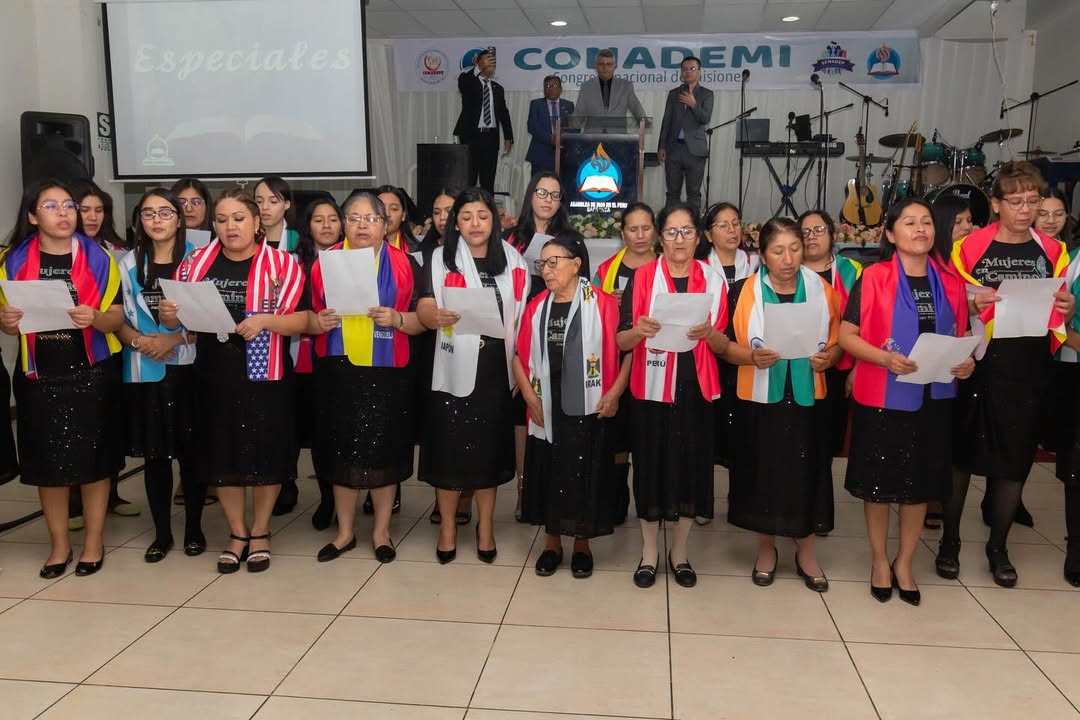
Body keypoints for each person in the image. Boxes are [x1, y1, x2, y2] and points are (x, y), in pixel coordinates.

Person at [159, 188, 307, 575]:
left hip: (266, 374)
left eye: (239, 218)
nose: (230, 227)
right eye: (222, 220)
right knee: (222, 454)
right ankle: (237, 532)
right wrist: (169, 314)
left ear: (257, 223)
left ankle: (260, 532)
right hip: (213, 374)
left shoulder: (282, 264)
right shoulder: (195, 264)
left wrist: (266, 321)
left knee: (265, 454)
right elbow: (176, 321)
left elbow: (305, 320)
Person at [941, 161, 1075, 588]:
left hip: (1028, 364)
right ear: (996, 204)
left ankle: (998, 547)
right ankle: (949, 542)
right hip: (978, 361)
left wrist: (1067, 308)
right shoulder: (968, 248)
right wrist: (969, 303)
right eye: (1015, 201)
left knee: (1015, 460)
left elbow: (1059, 304)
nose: (1025, 209)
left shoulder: (1053, 250)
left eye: (1032, 200)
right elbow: (948, 299)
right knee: (960, 457)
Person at [840, 198, 973, 606]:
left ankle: (905, 562)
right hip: (883, 394)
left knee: (920, 485)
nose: (920, 229)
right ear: (891, 233)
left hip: (934, 397)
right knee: (880, 486)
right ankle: (880, 560)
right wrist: (883, 358)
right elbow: (846, 336)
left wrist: (967, 361)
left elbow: (963, 336)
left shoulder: (951, 282)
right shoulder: (874, 277)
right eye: (910, 222)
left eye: (926, 222)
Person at [1, 179, 125, 578]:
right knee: (48, 464)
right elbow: (9, 325)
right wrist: (6, 321)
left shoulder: (101, 259)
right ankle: (58, 546)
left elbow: (116, 318)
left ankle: (93, 543)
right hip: (39, 375)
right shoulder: (11, 262)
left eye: (69, 205)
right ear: (33, 216)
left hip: (92, 372)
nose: (64, 213)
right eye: (51, 206)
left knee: (94, 461)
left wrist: (96, 317)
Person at [307, 192, 427, 564]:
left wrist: (399, 319)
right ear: (344, 223)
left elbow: (423, 321)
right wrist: (318, 321)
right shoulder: (323, 263)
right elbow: (308, 317)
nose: (362, 225)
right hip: (338, 368)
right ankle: (344, 532)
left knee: (384, 450)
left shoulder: (407, 264)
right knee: (342, 448)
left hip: (388, 369)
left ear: (385, 224)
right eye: (354, 218)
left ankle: (381, 532)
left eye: (371, 218)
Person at [723, 217, 841, 593]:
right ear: (762, 255)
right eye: (778, 251)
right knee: (764, 470)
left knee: (808, 472)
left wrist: (830, 358)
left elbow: (839, 342)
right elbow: (723, 346)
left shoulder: (822, 290)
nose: (788, 259)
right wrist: (749, 356)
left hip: (808, 397)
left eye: (794, 249)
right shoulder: (741, 292)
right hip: (760, 396)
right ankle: (766, 549)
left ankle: (806, 551)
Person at [617, 202, 729, 589]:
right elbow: (621, 340)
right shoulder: (642, 278)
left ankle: (679, 553)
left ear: (698, 237)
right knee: (650, 466)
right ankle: (649, 552)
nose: (679, 239)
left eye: (687, 231)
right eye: (671, 231)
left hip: (696, 387)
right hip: (650, 388)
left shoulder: (713, 281)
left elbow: (724, 345)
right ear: (660, 238)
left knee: (691, 468)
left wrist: (709, 334)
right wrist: (639, 331)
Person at [417, 187, 529, 564]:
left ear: (494, 220)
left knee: (487, 453)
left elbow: (522, 318)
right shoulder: (440, 259)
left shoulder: (513, 261)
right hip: (451, 366)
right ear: (455, 223)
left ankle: (486, 527)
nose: (475, 224)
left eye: (482, 216)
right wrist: (434, 316)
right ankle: (448, 527)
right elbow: (424, 305)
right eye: (466, 217)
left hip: (495, 371)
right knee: (449, 451)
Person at [515, 233, 626, 577]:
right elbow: (518, 355)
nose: (546, 270)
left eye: (554, 262)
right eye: (542, 264)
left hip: (590, 403)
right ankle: (551, 544)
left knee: (583, 472)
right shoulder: (537, 307)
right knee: (549, 471)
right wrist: (529, 396)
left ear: (576, 264)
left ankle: (581, 544)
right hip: (545, 403)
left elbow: (628, 354)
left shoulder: (604, 304)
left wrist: (615, 393)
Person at [115, 188, 205, 561]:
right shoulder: (126, 264)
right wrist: (140, 342)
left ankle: (194, 528)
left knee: (191, 454)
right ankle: (162, 533)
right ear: (139, 220)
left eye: (165, 212)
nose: (157, 220)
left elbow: (209, 318)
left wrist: (174, 338)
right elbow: (116, 319)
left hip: (189, 371)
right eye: (148, 213)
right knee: (155, 457)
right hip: (144, 368)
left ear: (179, 219)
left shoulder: (198, 260)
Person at [71, 182, 137, 525]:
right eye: (85, 210)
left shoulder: (118, 251)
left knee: (108, 426)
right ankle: (74, 502)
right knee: (73, 430)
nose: (92, 217)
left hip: (111, 348)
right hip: (69, 351)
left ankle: (111, 493)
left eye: (99, 210)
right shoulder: (61, 252)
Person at [507, 172, 572, 518]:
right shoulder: (511, 238)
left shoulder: (570, 239)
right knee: (524, 414)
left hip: (557, 332)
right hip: (518, 330)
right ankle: (524, 490)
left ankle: (559, 490)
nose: (547, 200)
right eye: (541, 192)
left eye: (555, 195)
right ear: (530, 194)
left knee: (556, 409)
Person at [798, 210, 862, 536]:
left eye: (818, 229)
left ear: (832, 234)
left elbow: (866, 324)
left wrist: (855, 368)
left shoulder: (852, 271)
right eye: (804, 231)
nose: (811, 236)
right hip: (794, 368)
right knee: (796, 440)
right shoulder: (786, 269)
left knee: (826, 443)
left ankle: (819, 509)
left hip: (838, 369)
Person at [593, 202, 658, 524]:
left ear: (655, 231)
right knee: (616, 437)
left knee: (650, 438)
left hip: (657, 363)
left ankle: (652, 503)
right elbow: (589, 311)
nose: (640, 235)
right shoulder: (607, 270)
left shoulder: (666, 266)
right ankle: (616, 501)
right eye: (633, 229)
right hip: (616, 361)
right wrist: (608, 303)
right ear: (623, 233)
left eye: (646, 228)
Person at [417, 188, 474, 527]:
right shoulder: (427, 252)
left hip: (474, 349)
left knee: (469, 431)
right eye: (437, 211)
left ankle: (465, 499)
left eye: (450, 211)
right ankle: (445, 500)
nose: (443, 218)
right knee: (443, 431)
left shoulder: (484, 251)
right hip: (433, 348)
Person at [296, 196, 345, 530]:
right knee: (320, 432)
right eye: (318, 220)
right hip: (307, 359)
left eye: (332, 219)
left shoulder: (356, 259)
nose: (326, 226)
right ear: (308, 226)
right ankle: (328, 497)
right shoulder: (295, 263)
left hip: (349, 356)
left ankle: (354, 494)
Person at [699, 203, 756, 483]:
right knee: (711, 426)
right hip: (710, 355)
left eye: (735, 223)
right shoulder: (700, 269)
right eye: (723, 225)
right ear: (709, 235)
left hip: (746, 355)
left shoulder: (756, 264)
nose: (732, 230)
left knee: (744, 429)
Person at [657, 56, 714, 216]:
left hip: (695, 151)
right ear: (681, 72)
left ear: (699, 72)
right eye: (685, 69)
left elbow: (705, 118)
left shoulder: (707, 94)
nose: (688, 72)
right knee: (672, 194)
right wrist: (661, 145)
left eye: (692, 69)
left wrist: (693, 104)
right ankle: (670, 225)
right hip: (673, 149)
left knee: (693, 194)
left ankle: (693, 226)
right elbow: (666, 121)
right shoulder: (674, 94)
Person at [453, 48, 513, 193]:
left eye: (493, 62)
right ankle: (466, 206)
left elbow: (504, 113)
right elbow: (463, 85)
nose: (491, 64)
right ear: (478, 63)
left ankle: (487, 207)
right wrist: (478, 68)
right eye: (488, 61)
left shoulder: (498, 88)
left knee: (488, 182)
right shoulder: (468, 81)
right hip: (470, 137)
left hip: (491, 139)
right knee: (469, 180)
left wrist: (508, 137)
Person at [573, 49, 646, 133]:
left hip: (618, 137)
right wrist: (569, 127)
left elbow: (636, 108)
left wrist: (643, 121)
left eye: (609, 64)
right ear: (595, 66)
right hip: (592, 137)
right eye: (601, 64)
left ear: (614, 66)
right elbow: (578, 114)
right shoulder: (586, 87)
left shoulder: (625, 86)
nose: (605, 68)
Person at [525, 76, 575, 174]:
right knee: (540, 182)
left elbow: (574, 127)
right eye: (547, 86)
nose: (550, 89)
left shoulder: (569, 105)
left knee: (562, 182)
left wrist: (562, 137)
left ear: (560, 89)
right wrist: (550, 138)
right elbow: (532, 126)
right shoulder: (536, 104)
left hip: (563, 153)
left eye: (553, 86)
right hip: (541, 153)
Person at [254, 176, 299, 253]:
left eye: (273, 201)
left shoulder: (299, 241)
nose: (265, 207)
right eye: (259, 201)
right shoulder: (246, 239)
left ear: (287, 204)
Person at [376, 185, 421, 254]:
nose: (387, 214)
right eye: (381, 208)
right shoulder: (363, 247)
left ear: (403, 215)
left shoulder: (417, 248)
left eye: (394, 209)